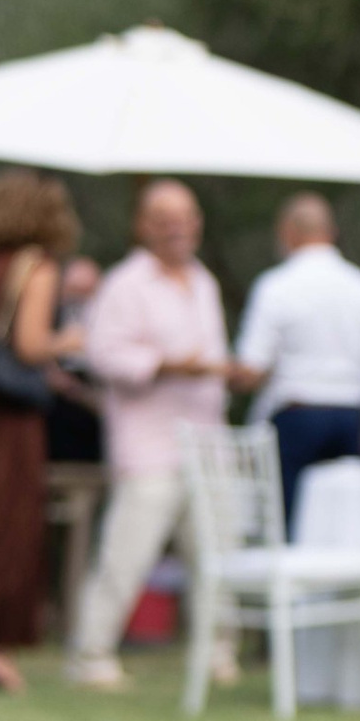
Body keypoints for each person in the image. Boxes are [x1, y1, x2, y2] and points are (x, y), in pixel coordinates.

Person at [63, 181, 230, 691]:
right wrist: (164, 365)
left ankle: (216, 653)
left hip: (207, 441)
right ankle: (91, 656)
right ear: (142, 225)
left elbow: (212, 358)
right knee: (126, 554)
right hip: (148, 443)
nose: (177, 226)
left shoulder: (204, 282)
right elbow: (102, 355)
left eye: (185, 215)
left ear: (198, 222)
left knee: (218, 556)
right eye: (163, 217)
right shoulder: (124, 285)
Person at [0, 171, 83, 693]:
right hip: (3, 415)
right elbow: (31, 345)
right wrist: (68, 340)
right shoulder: (36, 268)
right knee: (6, 528)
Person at [230, 193, 360, 527]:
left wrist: (221, 372)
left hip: (295, 421)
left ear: (287, 232)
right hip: (351, 421)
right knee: (345, 525)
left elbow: (251, 369)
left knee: (289, 523)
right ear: (332, 232)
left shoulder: (275, 287)